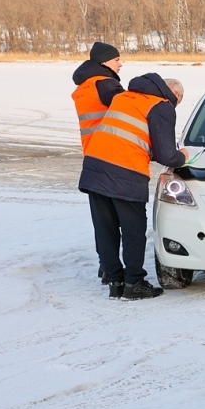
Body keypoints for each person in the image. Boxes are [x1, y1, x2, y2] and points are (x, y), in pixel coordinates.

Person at [78, 74, 189, 300]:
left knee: (105, 228)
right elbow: (166, 154)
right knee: (133, 231)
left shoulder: (125, 97)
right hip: (126, 171)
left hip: (94, 167)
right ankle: (134, 283)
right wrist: (182, 156)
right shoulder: (162, 106)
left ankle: (114, 281)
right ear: (175, 95)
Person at [72, 41, 124, 287]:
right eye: (117, 60)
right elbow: (128, 109)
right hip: (112, 158)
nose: (120, 64)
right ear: (105, 62)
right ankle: (117, 271)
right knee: (122, 219)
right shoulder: (106, 84)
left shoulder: (84, 86)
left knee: (103, 221)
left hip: (92, 158)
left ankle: (106, 266)